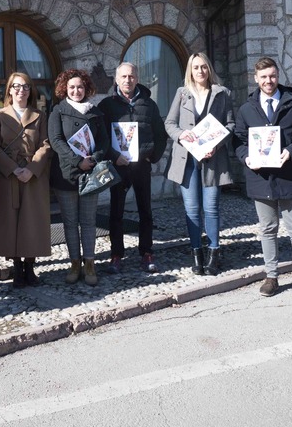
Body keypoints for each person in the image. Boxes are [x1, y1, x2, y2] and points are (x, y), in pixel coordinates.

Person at [234, 56, 292, 301]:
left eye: (272, 76)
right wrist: (246, 158)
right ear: (256, 78)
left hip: (290, 175)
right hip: (261, 177)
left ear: (278, 75)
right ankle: (271, 276)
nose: (268, 81)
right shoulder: (247, 108)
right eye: (263, 77)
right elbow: (238, 140)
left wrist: (291, 151)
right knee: (267, 229)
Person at [165, 53, 234, 276]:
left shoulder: (222, 93)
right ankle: (197, 253)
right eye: (196, 68)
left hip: (213, 159)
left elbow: (231, 124)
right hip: (187, 160)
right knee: (192, 209)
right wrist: (181, 135)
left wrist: (218, 143)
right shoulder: (182, 94)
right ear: (190, 71)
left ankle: (214, 252)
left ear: (209, 69)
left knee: (212, 208)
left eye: (204, 67)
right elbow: (169, 123)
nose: (200, 71)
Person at [98, 62, 168, 273]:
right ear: (116, 80)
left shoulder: (149, 104)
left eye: (131, 76)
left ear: (137, 78)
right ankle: (116, 254)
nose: (127, 80)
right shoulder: (107, 105)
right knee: (116, 212)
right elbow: (100, 137)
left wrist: (151, 157)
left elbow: (160, 134)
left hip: (141, 167)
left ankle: (146, 253)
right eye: (123, 76)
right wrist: (113, 156)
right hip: (118, 166)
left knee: (145, 210)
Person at [0, 72, 52, 287]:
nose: (21, 90)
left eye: (25, 86)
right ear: (9, 90)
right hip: (8, 176)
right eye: (16, 86)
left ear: (30, 90)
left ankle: (30, 267)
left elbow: (45, 145)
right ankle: (16, 267)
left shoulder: (39, 115)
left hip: (33, 176)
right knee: (10, 221)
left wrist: (32, 169)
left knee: (32, 221)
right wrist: (13, 169)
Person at [48, 69, 109, 286]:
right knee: (70, 222)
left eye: (80, 87)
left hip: (91, 173)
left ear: (87, 88)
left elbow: (104, 142)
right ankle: (75, 263)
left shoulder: (95, 112)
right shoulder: (58, 111)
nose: (76, 91)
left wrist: (94, 158)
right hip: (67, 174)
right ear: (65, 88)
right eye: (72, 87)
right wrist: (77, 161)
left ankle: (90, 263)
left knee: (89, 221)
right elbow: (55, 140)